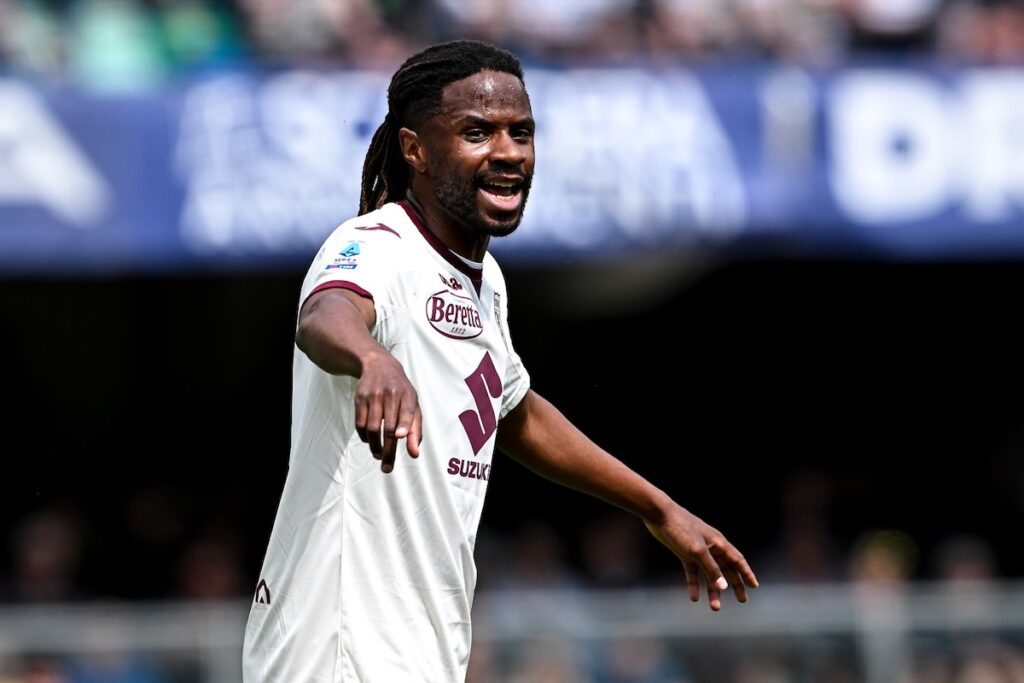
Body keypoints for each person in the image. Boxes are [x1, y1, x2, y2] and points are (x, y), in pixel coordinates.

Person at [242, 38, 758, 683]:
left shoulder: (484, 283)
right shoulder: (377, 243)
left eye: (521, 132)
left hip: (420, 644)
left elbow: (516, 413)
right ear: (415, 149)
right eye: (477, 132)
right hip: (337, 642)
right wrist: (374, 360)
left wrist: (659, 508)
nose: (509, 151)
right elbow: (326, 313)